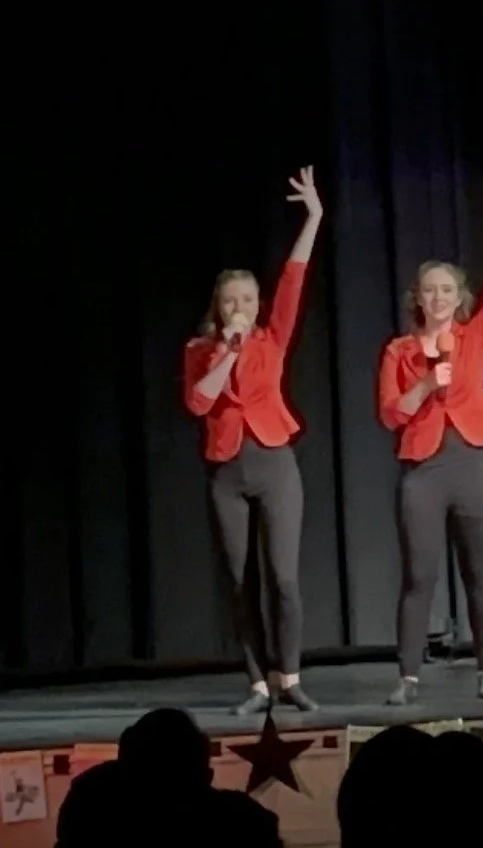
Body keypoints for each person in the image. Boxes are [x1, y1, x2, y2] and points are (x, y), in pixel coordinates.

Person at [378, 173, 483, 704]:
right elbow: (390, 414)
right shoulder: (399, 352)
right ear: (417, 298)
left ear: (458, 297)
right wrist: (424, 383)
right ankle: (408, 677)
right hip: (423, 469)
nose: (438, 297)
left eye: (447, 289)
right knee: (419, 576)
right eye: (430, 290)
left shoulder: (474, 336)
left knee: (479, 572)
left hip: (471, 462)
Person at [181, 167, 323, 714]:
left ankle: (290, 676)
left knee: (283, 578)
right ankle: (258, 684)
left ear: (259, 304)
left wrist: (312, 217)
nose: (240, 308)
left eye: (247, 299)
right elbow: (199, 403)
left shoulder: (273, 338)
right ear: (219, 308)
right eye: (230, 301)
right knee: (242, 582)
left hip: (274, 461)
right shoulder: (201, 351)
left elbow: (295, 276)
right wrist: (228, 352)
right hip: (227, 469)